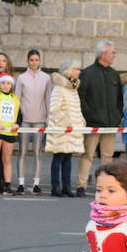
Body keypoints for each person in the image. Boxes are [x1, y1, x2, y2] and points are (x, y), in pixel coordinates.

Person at [76, 40, 122, 198]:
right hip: (93, 124)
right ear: (103, 54)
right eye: (112, 52)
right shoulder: (87, 73)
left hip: (110, 124)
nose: (114, 55)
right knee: (87, 154)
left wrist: (117, 117)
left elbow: (119, 99)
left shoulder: (114, 74)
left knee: (107, 156)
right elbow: (82, 98)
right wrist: (90, 116)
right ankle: (81, 184)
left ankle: (106, 186)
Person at [45, 59, 84, 197]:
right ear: (69, 70)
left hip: (71, 129)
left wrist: (79, 121)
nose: (79, 71)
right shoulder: (59, 88)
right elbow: (54, 109)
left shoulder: (73, 88)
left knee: (68, 158)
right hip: (62, 128)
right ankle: (55, 187)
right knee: (58, 157)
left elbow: (76, 109)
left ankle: (66, 187)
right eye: (76, 69)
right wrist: (66, 122)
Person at [15, 49, 51, 194]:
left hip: (40, 120)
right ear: (28, 61)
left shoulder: (46, 78)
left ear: (39, 61)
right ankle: (21, 182)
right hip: (25, 119)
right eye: (32, 60)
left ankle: (36, 183)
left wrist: (48, 118)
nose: (34, 62)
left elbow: (48, 99)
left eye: (36, 60)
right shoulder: (22, 78)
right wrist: (17, 119)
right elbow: (17, 99)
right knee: (22, 151)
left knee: (37, 152)